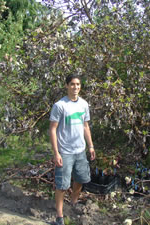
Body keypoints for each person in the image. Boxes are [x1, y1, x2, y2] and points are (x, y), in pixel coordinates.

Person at [49, 74, 96, 225]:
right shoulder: (60, 105)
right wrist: (56, 153)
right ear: (67, 86)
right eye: (72, 84)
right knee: (62, 186)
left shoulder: (84, 104)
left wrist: (91, 146)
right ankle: (59, 217)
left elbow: (85, 126)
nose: (75, 87)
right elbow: (52, 129)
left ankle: (73, 204)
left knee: (81, 179)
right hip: (65, 152)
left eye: (78, 84)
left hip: (80, 151)